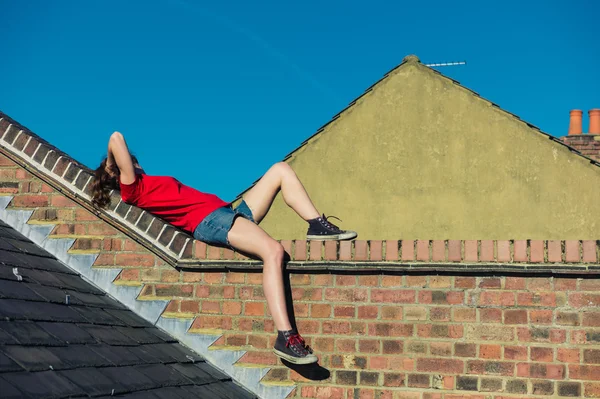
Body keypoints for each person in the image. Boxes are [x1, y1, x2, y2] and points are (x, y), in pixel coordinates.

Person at [92, 131, 357, 364]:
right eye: (130, 162)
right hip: (210, 222)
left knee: (280, 170)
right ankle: (286, 337)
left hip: (226, 213)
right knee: (273, 251)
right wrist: (111, 164)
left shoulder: (142, 183)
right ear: (119, 173)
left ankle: (317, 225)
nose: (137, 163)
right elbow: (116, 137)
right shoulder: (132, 189)